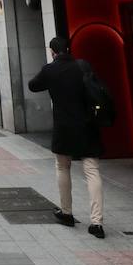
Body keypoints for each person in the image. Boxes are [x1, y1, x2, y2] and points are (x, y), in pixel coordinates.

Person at [28, 37, 106, 238]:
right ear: (69, 49)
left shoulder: (50, 70)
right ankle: (96, 222)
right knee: (91, 170)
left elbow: (33, 86)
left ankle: (67, 212)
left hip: (64, 127)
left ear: (52, 52)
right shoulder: (82, 66)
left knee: (63, 167)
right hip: (87, 125)